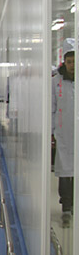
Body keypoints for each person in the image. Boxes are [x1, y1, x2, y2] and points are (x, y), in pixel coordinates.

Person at [52, 38, 75, 228]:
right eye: (69, 61)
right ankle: (66, 206)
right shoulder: (56, 82)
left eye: (75, 61)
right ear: (64, 62)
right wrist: (52, 132)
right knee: (65, 170)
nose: (72, 65)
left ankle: (74, 204)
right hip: (63, 133)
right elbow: (51, 108)